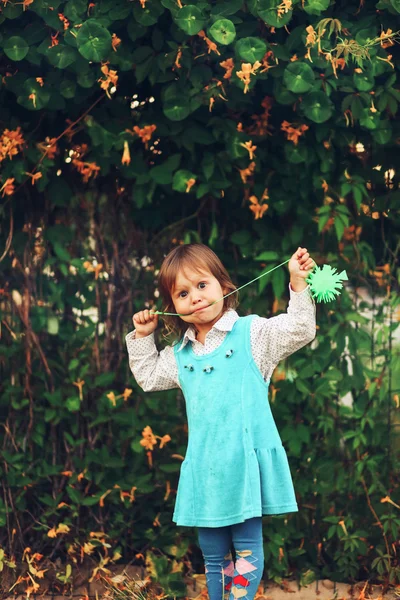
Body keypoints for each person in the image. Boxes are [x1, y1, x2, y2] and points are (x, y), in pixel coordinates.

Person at [126, 243, 316, 600]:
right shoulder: (180, 355)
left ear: (224, 287)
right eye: (183, 293)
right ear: (173, 308)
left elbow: (301, 328)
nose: (195, 298)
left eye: (201, 285)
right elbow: (148, 376)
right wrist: (141, 337)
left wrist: (297, 283)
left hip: (243, 465)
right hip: (206, 470)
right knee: (212, 555)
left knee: (246, 552)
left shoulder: (253, 335)